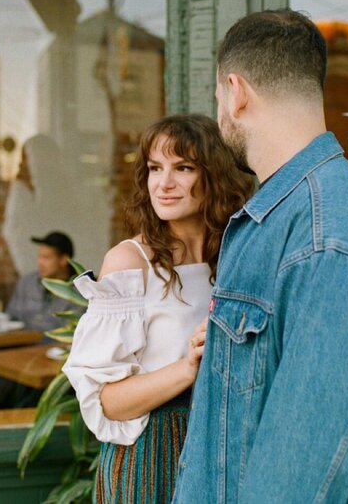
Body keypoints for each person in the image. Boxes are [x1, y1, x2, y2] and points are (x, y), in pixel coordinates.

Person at [173, 9, 348, 503]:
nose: (220, 112)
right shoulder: (281, 218)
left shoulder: (330, 236)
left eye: (218, 96)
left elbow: (297, 479)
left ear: (235, 91)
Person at [62, 114, 254, 503]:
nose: (163, 183)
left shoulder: (236, 255)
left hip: (224, 445)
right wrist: (186, 367)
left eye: (182, 168)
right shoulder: (131, 263)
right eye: (154, 168)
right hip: (153, 455)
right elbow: (107, 402)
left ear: (215, 176)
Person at [5, 231, 81, 331]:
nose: (40, 262)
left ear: (64, 260)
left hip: (59, 345)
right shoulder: (27, 282)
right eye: (39, 257)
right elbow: (10, 317)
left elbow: (74, 331)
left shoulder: (80, 291)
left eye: (46, 258)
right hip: (21, 344)